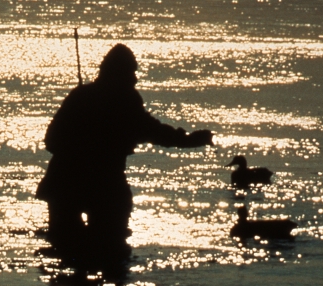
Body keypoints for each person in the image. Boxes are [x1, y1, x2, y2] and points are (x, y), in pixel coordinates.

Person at [36, 44, 213, 256]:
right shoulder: (124, 100)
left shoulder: (81, 96)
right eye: (131, 72)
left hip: (64, 183)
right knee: (111, 250)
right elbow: (152, 130)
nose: (134, 78)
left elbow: (51, 141)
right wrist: (188, 140)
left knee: (65, 249)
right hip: (101, 184)